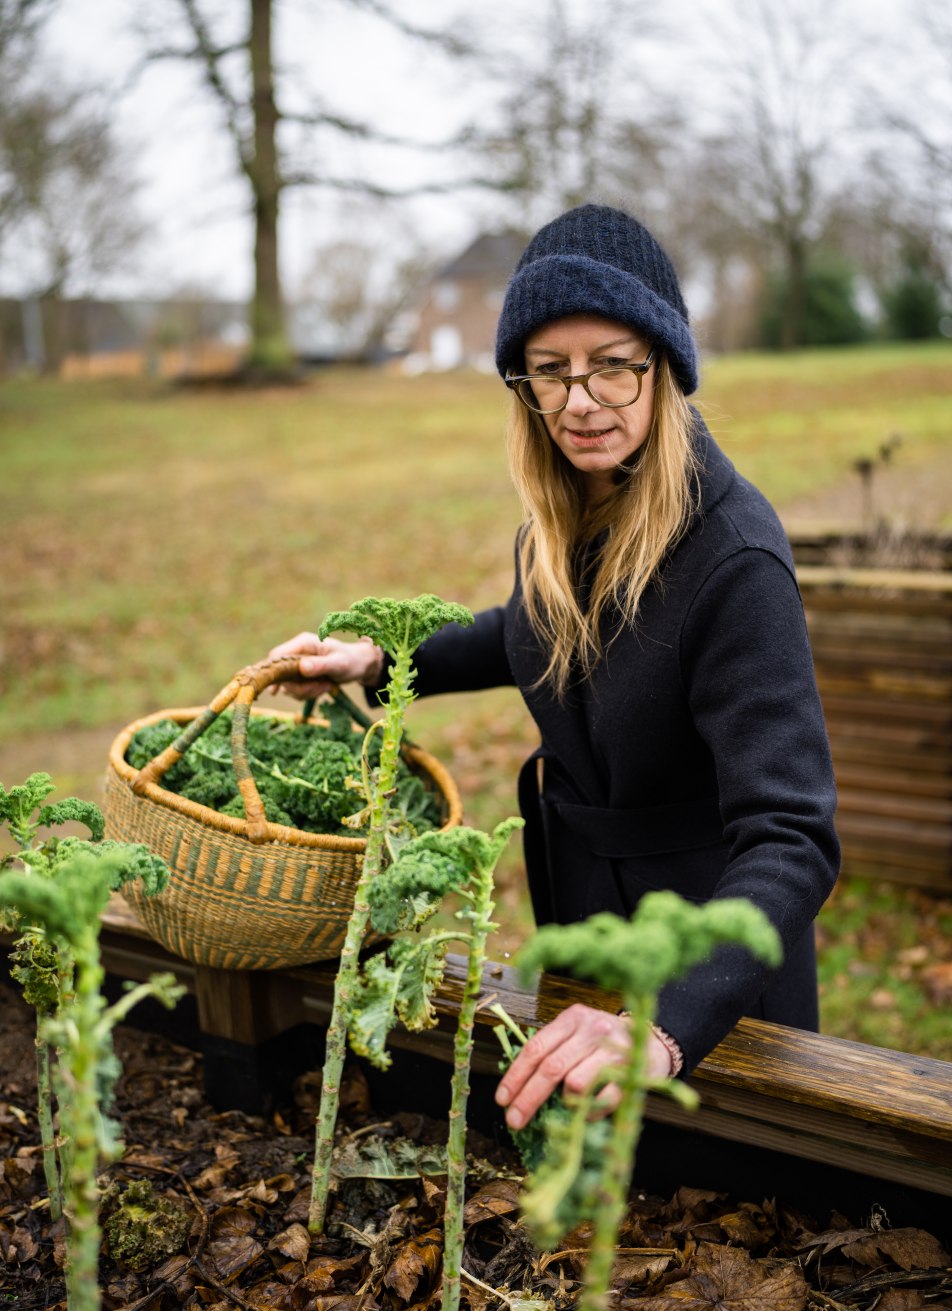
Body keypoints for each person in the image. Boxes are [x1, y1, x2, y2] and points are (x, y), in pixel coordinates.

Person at [269, 203, 840, 1135]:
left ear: (665, 368)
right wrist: (378, 661)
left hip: (712, 991)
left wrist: (664, 1027)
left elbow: (794, 838)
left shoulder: (735, 562)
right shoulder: (566, 512)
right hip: (583, 933)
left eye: (613, 364)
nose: (581, 399)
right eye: (550, 370)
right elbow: (531, 631)